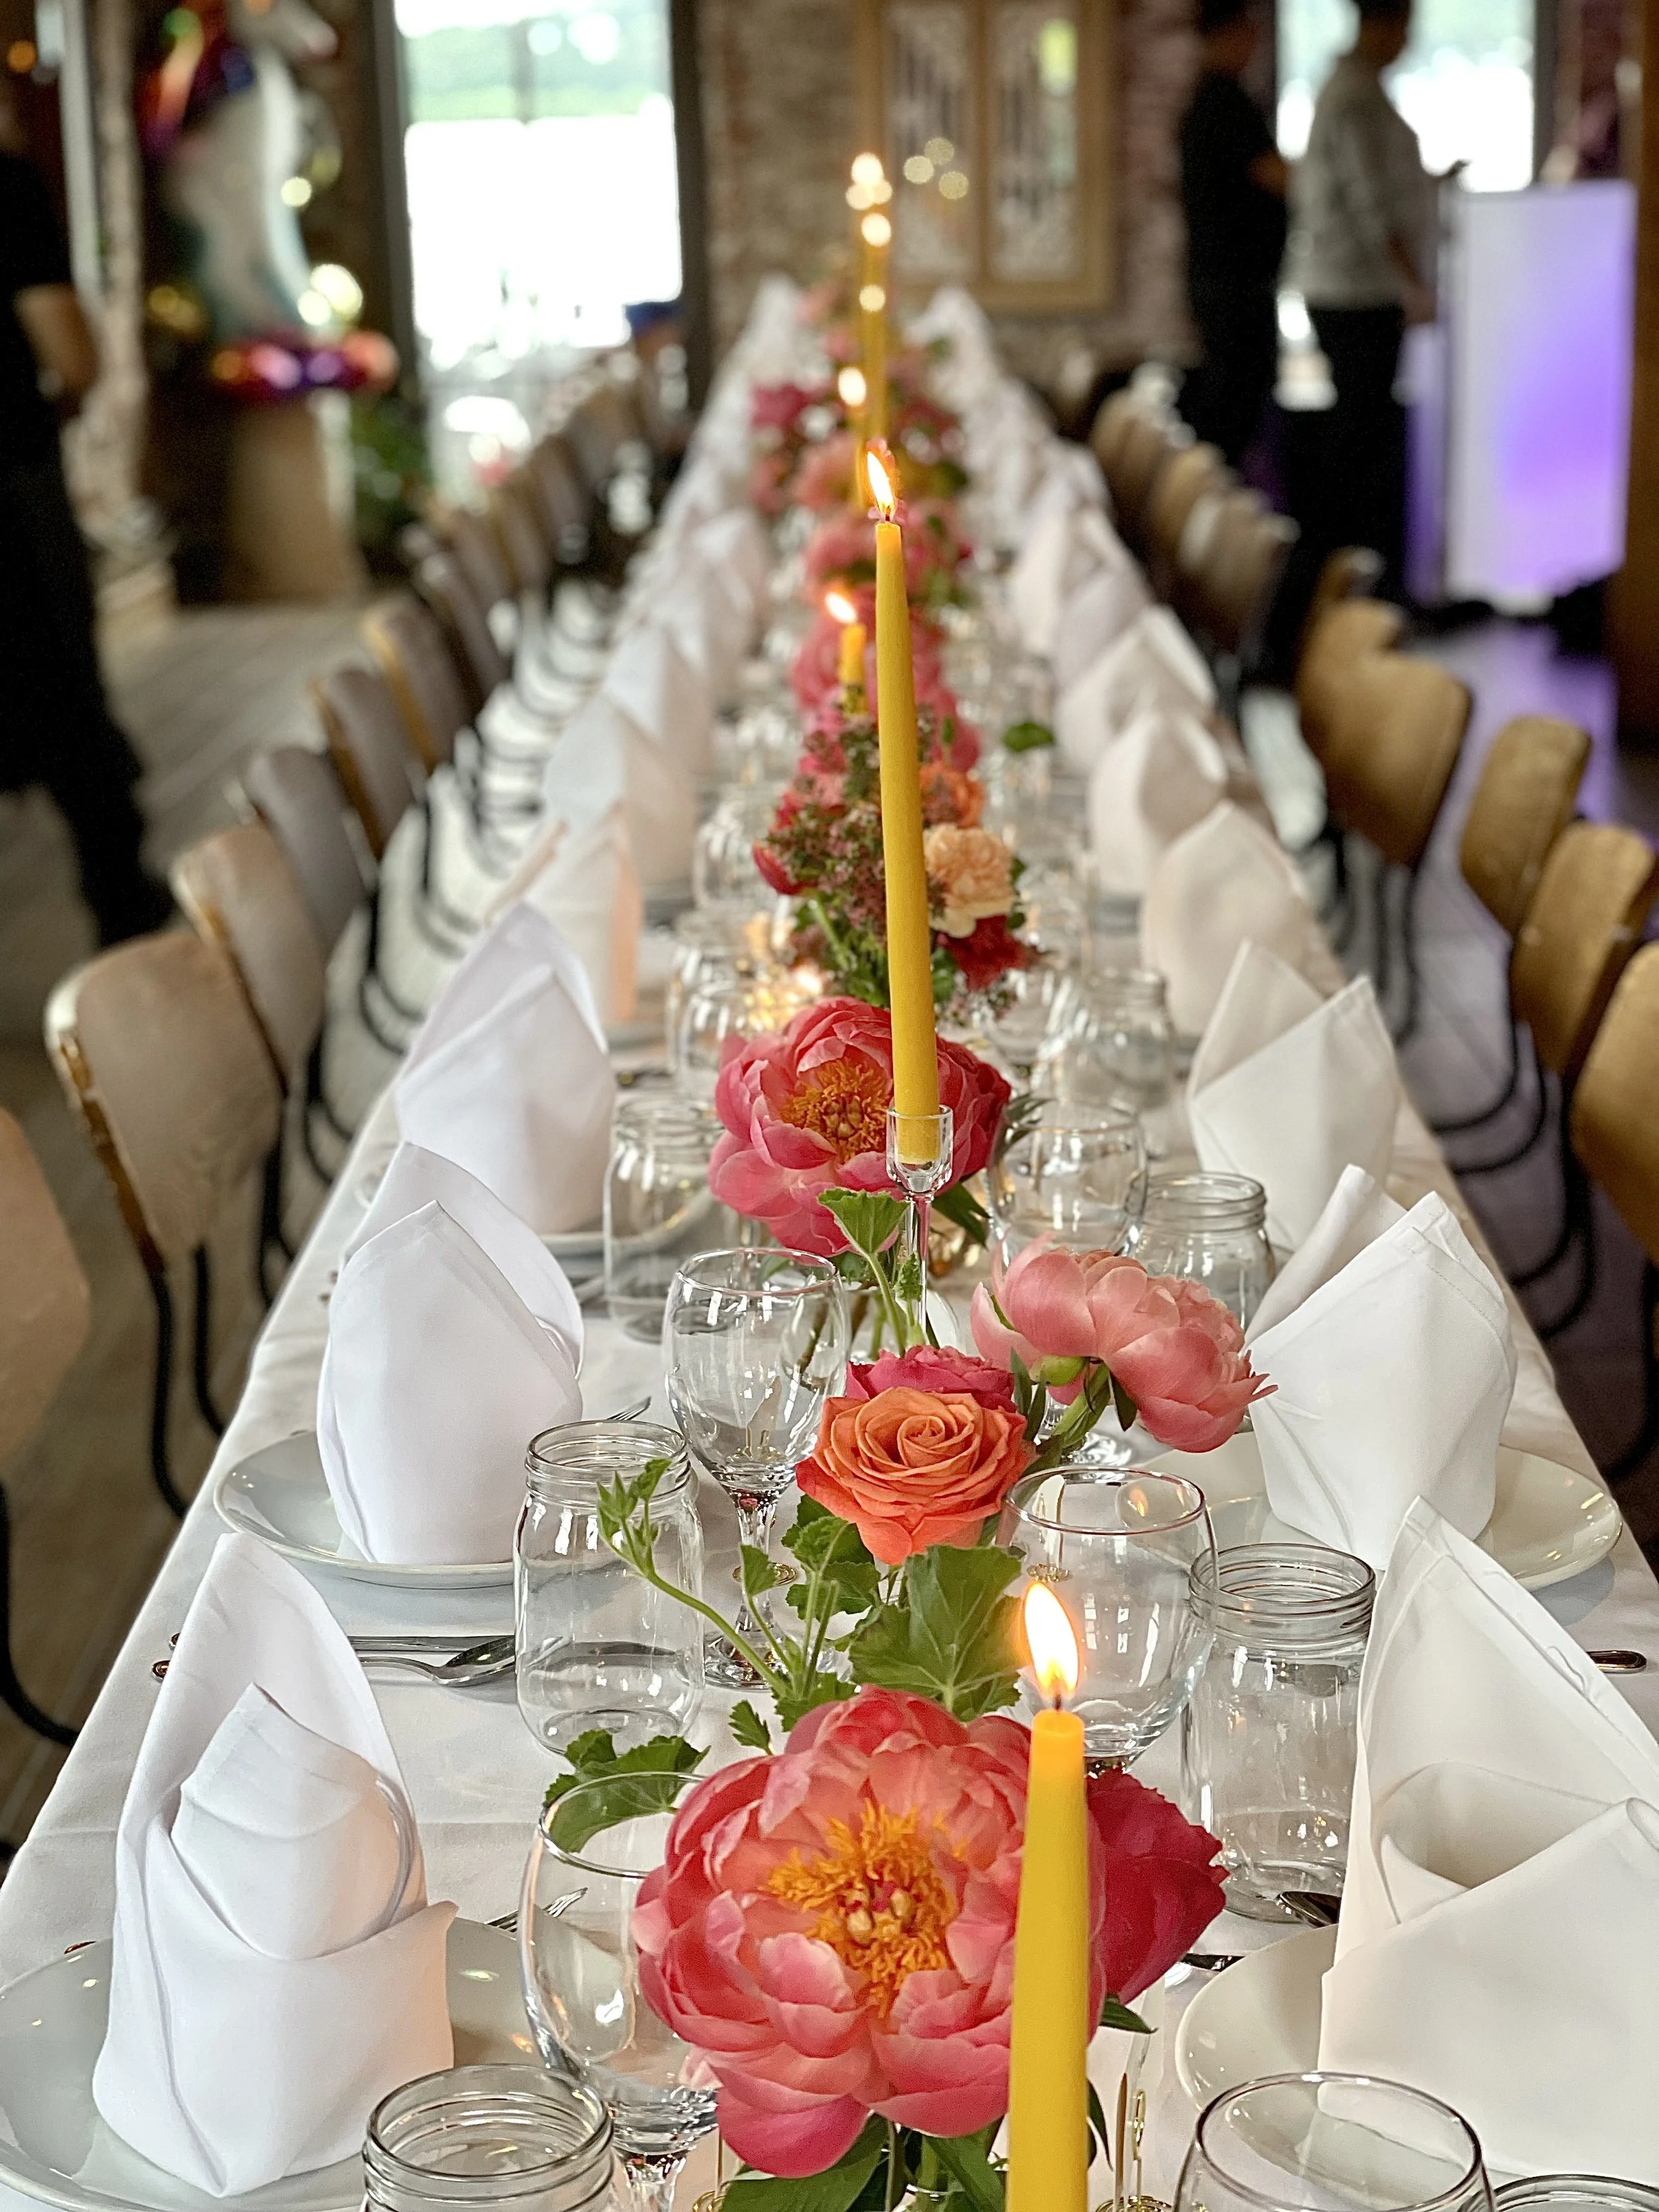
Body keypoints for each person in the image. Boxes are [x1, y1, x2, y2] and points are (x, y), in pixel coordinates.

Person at [0, 90, 170, 944]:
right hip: (9, 493)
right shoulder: (5, 187)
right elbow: (71, 356)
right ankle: (128, 929)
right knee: (66, 704)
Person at [1296, 0, 1439, 593]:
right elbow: (1370, 206)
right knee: (1355, 456)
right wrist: (1414, 283)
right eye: (1405, 28)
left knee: (1357, 448)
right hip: (1354, 294)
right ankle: (1336, 595)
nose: (1407, 41)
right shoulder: (1352, 96)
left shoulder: (1356, 91)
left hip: (1352, 290)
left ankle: (1345, 593)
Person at [1178, 0, 1288, 467]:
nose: (1257, 41)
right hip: (1235, 287)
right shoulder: (1226, 102)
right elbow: (1279, 178)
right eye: (1251, 29)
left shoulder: (1206, 97)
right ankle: (1225, 526)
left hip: (1219, 281)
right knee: (1233, 413)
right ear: (1231, 32)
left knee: (1229, 406)